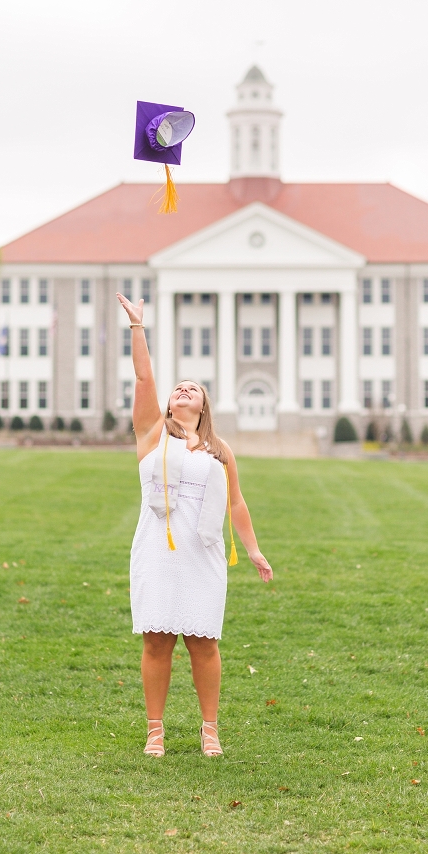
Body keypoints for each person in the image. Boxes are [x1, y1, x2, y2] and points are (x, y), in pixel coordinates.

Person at [117, 292, 273, 758]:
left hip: (202, 552)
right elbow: (144, 376)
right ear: (168, 403)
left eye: (193, 388)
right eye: (178, 387)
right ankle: (155, 730)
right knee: (157, 639)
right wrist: (137, 327)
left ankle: (210, 730)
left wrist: (253, 549)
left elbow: (236, 502)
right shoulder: (150, 434)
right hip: (156, 548)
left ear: (204, 405)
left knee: (203, 641)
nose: (183, 390)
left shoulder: (218, 450)